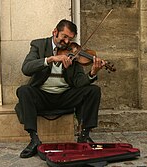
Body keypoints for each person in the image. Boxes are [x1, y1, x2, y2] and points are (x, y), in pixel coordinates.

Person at [15, 19, 105, 158]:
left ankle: (84, 136)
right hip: (42, 96)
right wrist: (50, 59)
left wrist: (92, 73)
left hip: (65, 96)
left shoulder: (74, 52)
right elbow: (26, 68)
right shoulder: (39, 45)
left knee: (93, 90)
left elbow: (79, 82)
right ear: (55, 32)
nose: (67, 42)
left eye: (70, 38)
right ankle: (34, 140)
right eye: (64, 36)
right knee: (23, 90)